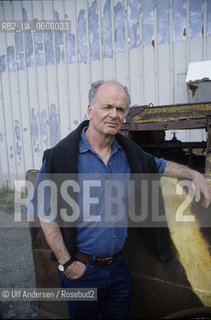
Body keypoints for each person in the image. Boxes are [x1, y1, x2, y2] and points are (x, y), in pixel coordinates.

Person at [27, 80, 211, 319]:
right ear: (90, 110)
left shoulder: (129, 154)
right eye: (107, 107)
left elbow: (159, 166)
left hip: (118, 270)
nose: (114, 114)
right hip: (81, 272)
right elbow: (45, 213)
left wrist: (193, 173)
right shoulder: (61, 157)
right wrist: (67, 263)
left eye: (121, 109)